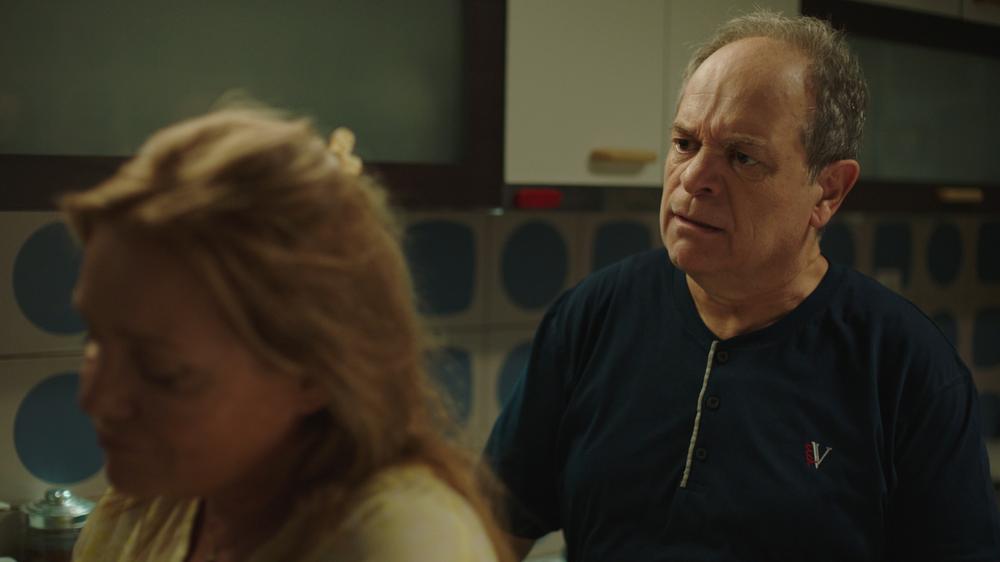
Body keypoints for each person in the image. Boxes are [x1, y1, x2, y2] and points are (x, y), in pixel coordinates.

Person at [484, 10, 1000, 562]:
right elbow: (491, 528)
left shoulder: (906, 369)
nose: (692, 178)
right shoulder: (592, 316)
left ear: (828, 190)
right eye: (685, 143)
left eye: (742, 157)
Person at [64, 108, 514, 562]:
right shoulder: (153, 500)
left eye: (160, 369)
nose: (94, 398)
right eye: (95, 342)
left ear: (314, 374)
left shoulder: (398, 542)